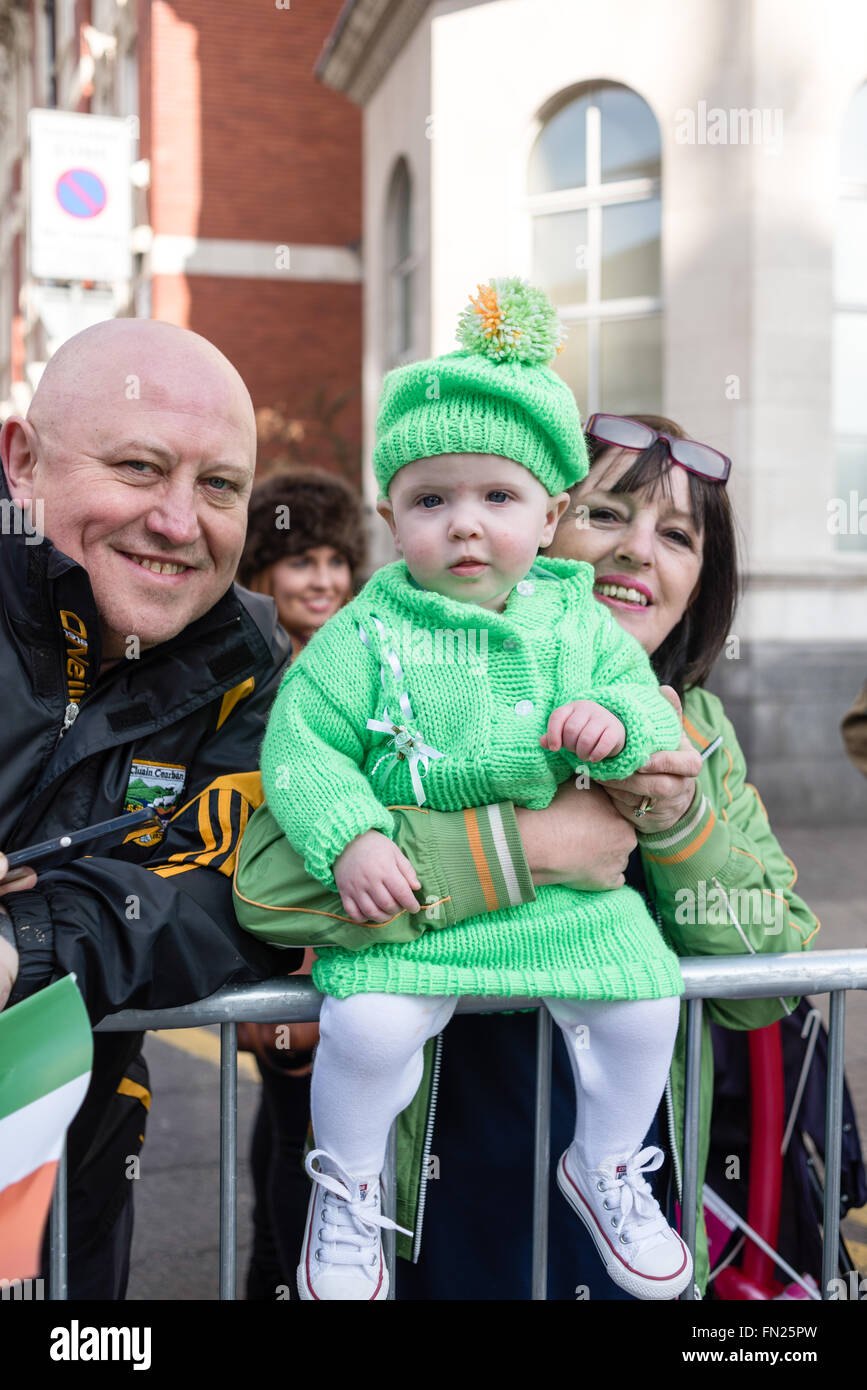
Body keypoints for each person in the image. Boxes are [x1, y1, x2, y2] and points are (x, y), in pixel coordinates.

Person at [258, 279, 699, 1302]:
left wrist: (615, 726)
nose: (465, 526)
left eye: (497, 498)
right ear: (390, 517)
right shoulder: (366, 631)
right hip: (420, 909)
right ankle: (351, 1186)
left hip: (562, 905)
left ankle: (607, 1164)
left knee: (646, 999)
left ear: (550, 517)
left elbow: (645, 706)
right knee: (365, 1029)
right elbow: (302, 745)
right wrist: (350, 834)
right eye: (431, 499)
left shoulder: (574, 619)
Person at [394, 410, 820, 1300]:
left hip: (631, 1192)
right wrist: (521, 852)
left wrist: (678, 824)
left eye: (675, 535)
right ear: (535, 524)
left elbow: (765, 973)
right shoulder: (409, 677)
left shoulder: (699, 730)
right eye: (606, 514)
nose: (638, 551)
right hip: (442, 1173)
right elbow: (275, 888)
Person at [0, 318, 297, 1298]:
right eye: (138, 467)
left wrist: (27, 943)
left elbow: (245, 889)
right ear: (22, 458)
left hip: (68, 1173)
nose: (180, 521)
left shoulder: (247, 662)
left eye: (219, 486)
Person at [235, 469, 366, 1301]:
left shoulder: (359, 658)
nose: (322, 580)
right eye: (297, 562)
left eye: (333, 560)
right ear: (260, 572)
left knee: (304, 1133)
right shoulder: (252, 676)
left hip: (344, 928)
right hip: (286, 930)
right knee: (300, 1139)